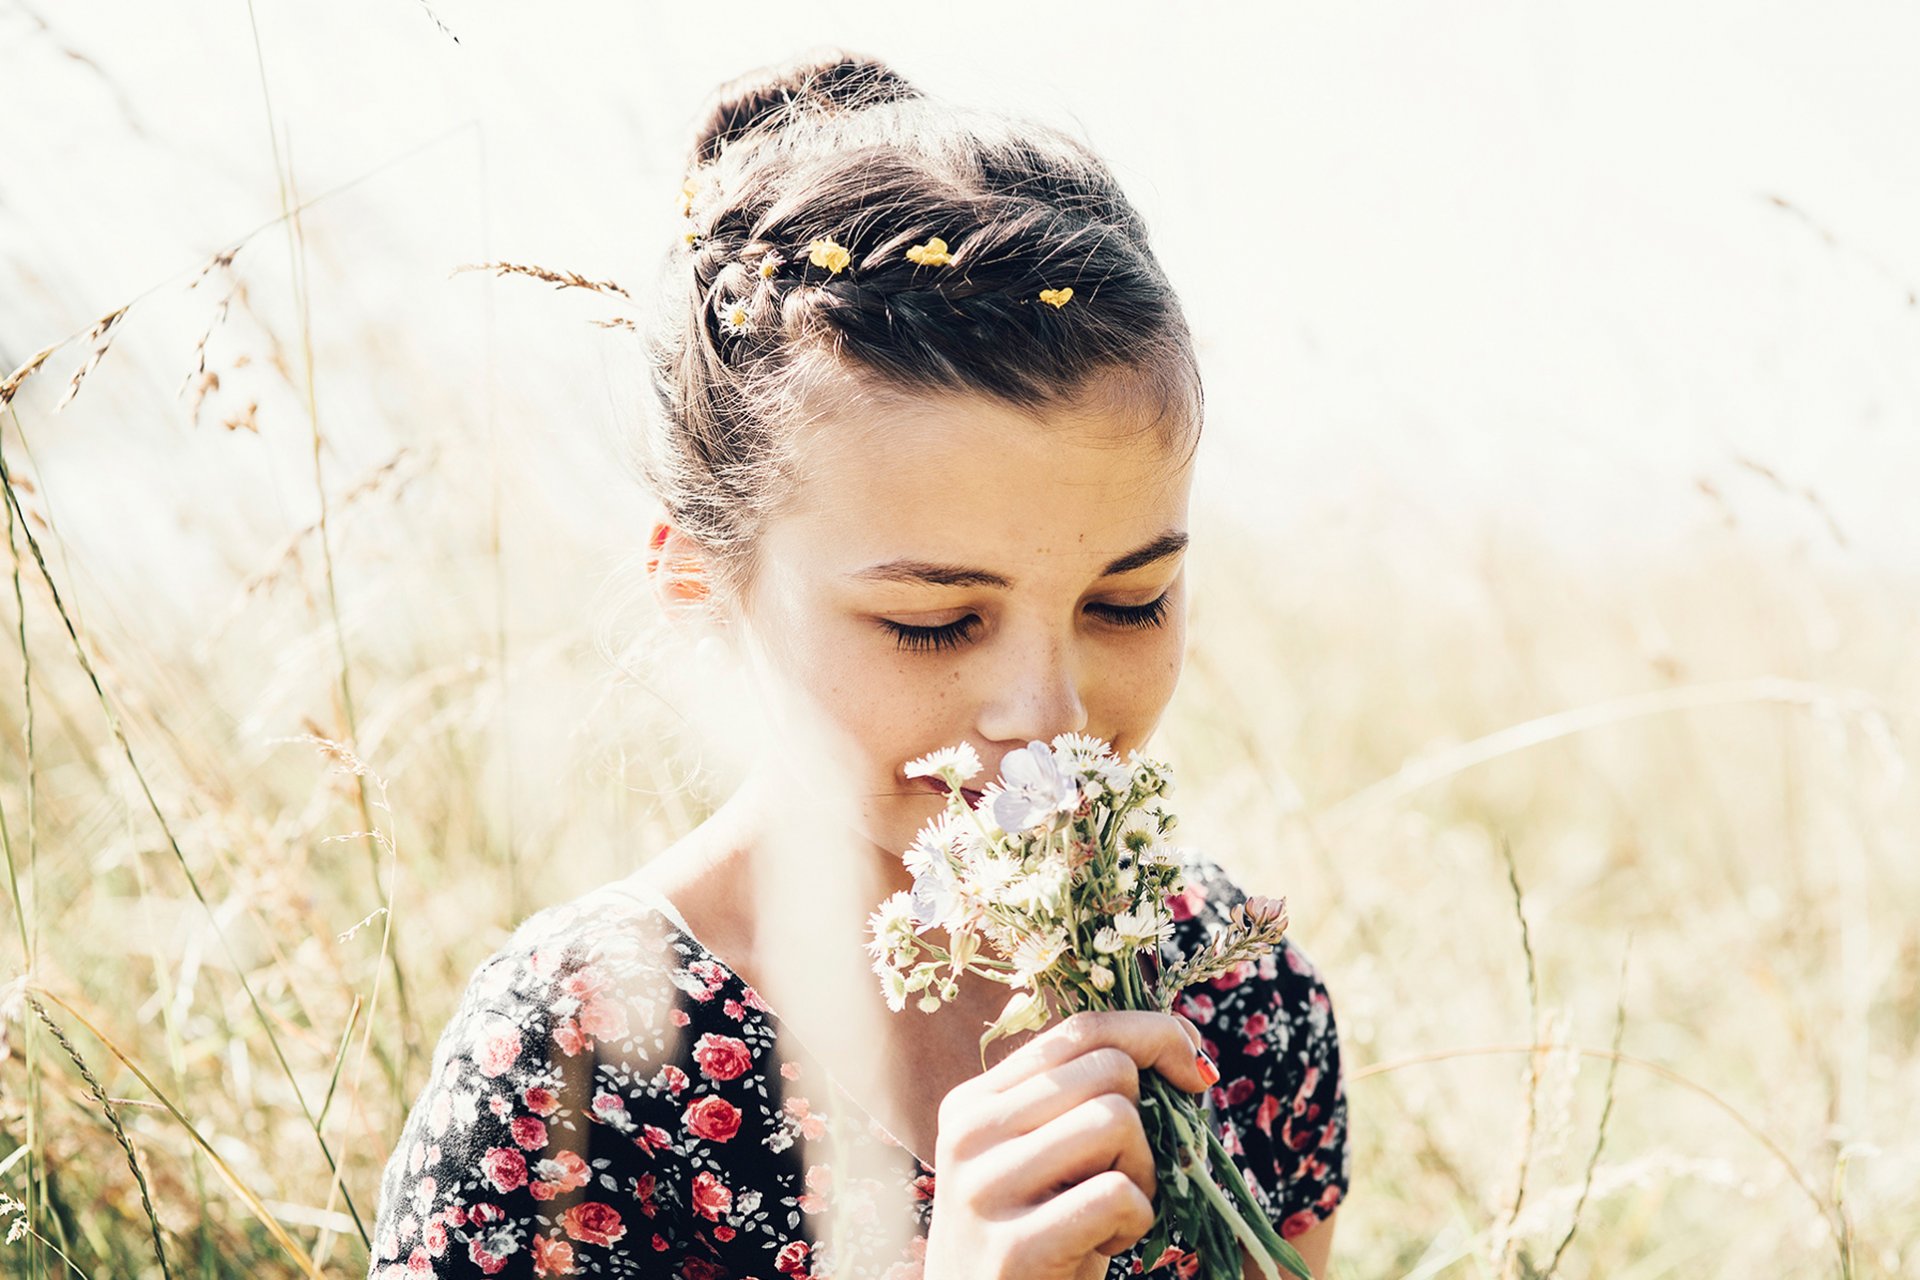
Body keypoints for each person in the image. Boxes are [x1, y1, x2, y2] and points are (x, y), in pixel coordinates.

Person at [365, 50, 1349, 1280]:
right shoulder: (574, 1063)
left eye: (1128, 599)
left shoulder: (1238, 996)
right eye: (933, 623)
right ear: (700, 589)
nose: (1048, 715)